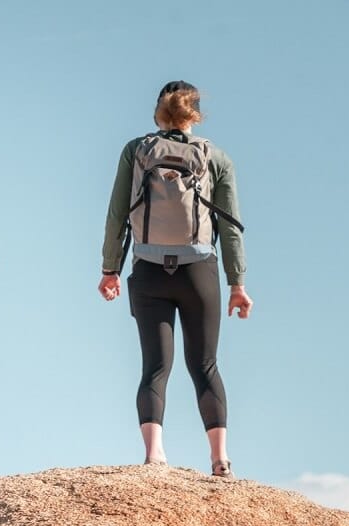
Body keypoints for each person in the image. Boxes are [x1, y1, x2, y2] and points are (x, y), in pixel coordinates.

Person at [97, 81, 253, 477]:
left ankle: (154, 456)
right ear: (194, 114)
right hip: (199, 271)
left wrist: (109, 270)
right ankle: (219, 459)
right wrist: (237, 284)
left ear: (158, 111)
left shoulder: (136, 151)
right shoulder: (216, 157)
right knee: (205, 365)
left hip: (148, 269)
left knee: (155, 366)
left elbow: (117, 214)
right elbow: (230, 227)